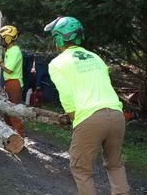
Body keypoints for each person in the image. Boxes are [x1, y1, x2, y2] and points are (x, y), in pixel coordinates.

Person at [44, 16, 129, 194]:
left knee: (81, 169)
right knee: (115, 165)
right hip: (116, 115)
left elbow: (66, 94)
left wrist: (74, 115)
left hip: (90, 118)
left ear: (61, 38)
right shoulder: (96, 58)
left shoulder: (57, 63)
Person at [0, 25, 25, 137]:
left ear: (8, 38)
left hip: (14, 83)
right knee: (7, 109)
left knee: (14, 110)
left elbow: (9, 69)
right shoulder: (10, 50)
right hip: (9, 82)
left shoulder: (14, 51)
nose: (1, 40)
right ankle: (10, 133)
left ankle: (20, 135)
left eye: (3, 38)